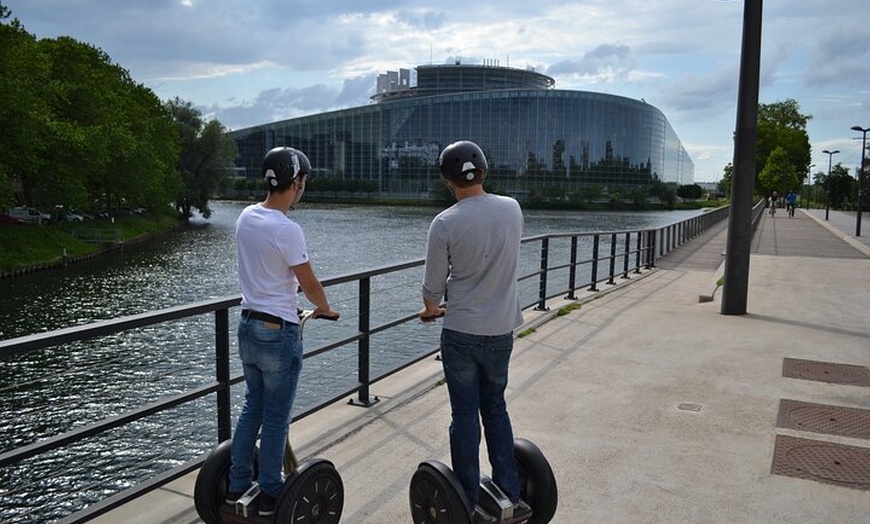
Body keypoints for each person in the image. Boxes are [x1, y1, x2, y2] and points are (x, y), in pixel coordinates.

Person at [419, 140, 532, 524]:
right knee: (495, 407)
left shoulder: (445, 222)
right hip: (501, 329)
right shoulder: (512, 209)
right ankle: (510, 493)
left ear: (449, 181)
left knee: (464, 415)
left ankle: (465, 500)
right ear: (483, 172)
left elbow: (433, 286)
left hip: (462, 330)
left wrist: (431, 309)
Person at [227, 146, 339, 517]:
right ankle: (273, 491)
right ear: (298, 183)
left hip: (247, 326)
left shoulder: (246, 217)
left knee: (251, 409)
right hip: (278, 332)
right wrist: (324, 309)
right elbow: (307, 281)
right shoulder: (288, 229)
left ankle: (238, 484)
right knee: (276, 416)